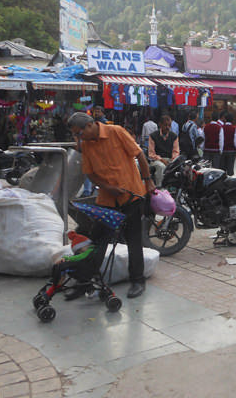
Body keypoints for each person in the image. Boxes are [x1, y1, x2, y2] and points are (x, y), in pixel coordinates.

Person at [67, 111, 154, 299]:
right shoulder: (86, 144)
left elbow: (139, 155)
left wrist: (148, 182)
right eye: (75, 135)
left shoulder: (116, 132)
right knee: (97, 242)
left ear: (89, 125)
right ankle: (84, 282)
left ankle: (138, 281)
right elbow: (90, 173)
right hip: (107, 200)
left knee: (133, 240)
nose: (78, 138)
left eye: (79, 133)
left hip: (131, 196)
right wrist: (107, 187)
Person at [148, 115, 179, 186]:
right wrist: (162, 160)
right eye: (165, 125)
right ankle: (160, 187)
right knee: (161, 167)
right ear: (160, 124)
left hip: (170, 160)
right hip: (156, 160)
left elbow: (175, 151)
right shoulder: (153, 136)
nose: (167, 127)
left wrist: (172, 161)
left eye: (169, 125)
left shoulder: (174, 136)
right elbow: (151, 154)